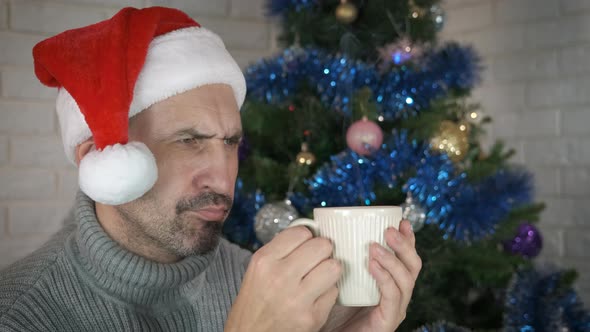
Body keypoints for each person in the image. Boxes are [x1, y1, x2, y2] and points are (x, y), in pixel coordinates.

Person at [0, 6, 421, 332]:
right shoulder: (19, 315)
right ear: (100, 157)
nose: (223, 179)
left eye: (231, 143)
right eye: (188, 141)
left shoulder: (258, 279)